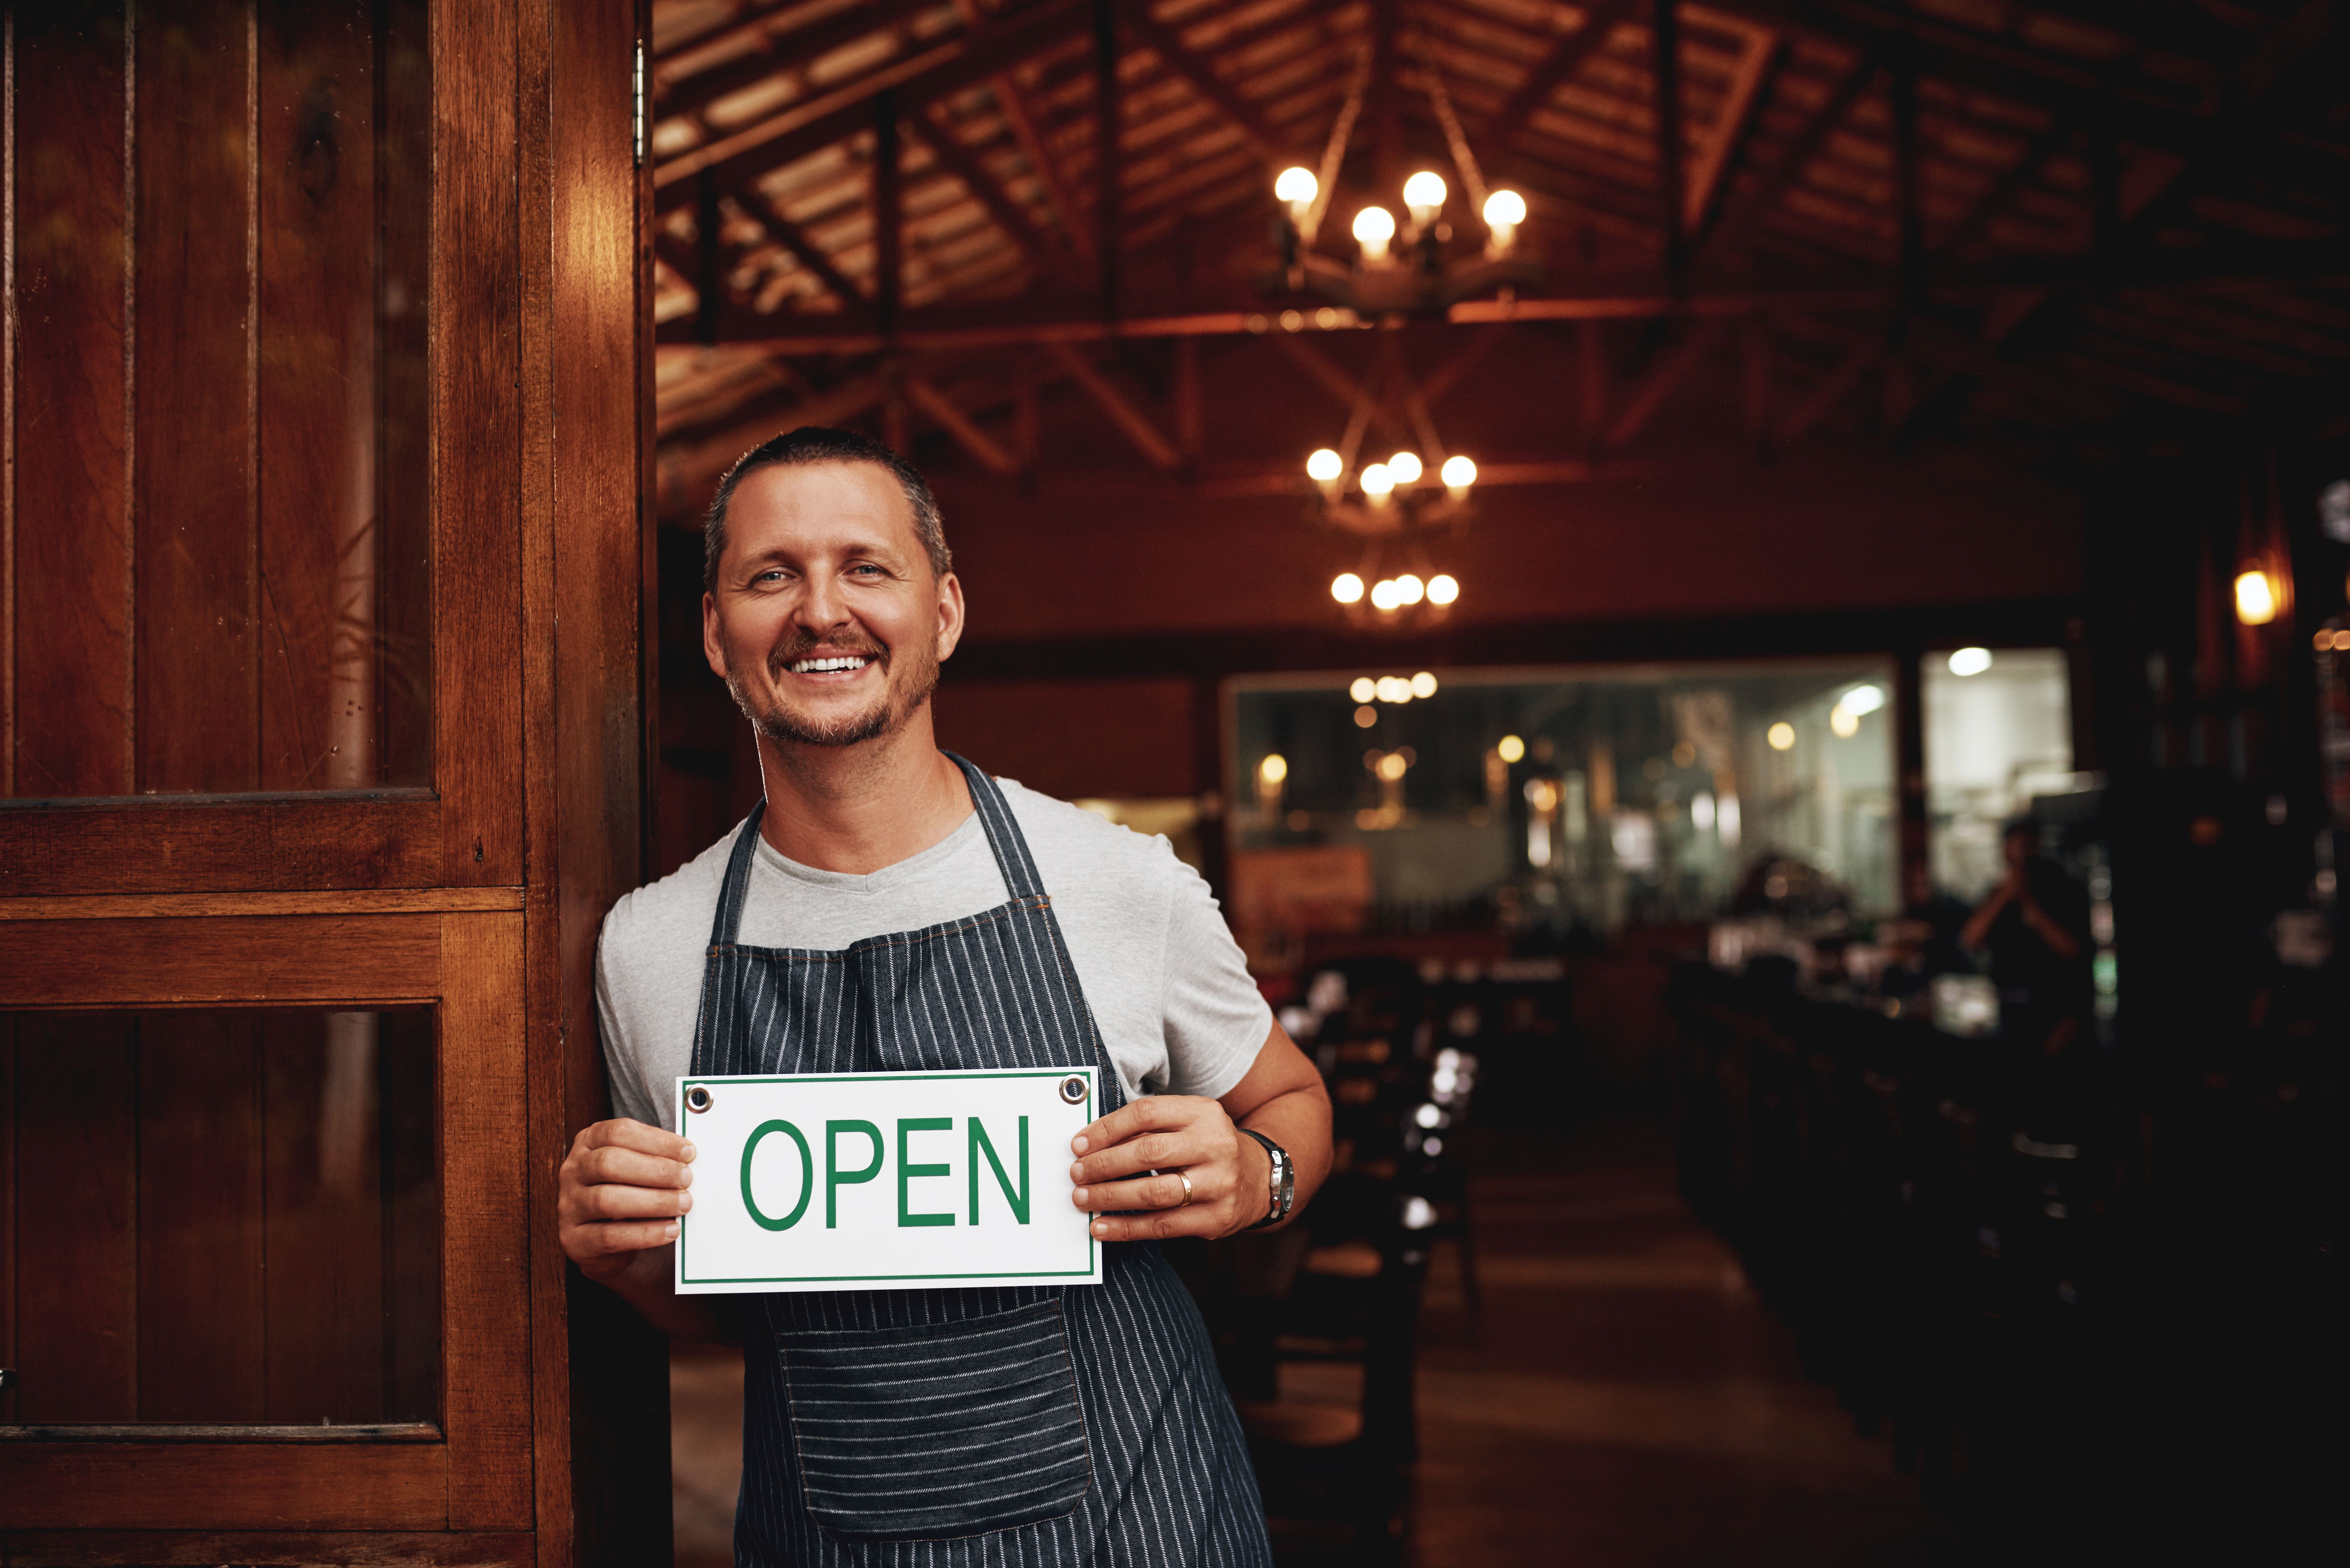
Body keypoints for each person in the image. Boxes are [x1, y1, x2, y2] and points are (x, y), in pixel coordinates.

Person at [560, 426, 1331, 1566]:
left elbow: (1296, 1100)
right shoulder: (650, 948)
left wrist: (1254, 1176)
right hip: (828, 1537)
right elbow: (719, 1306)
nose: (822, 610)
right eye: (773, 575)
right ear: (718, 638)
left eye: (866, 567)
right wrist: (626, 1262)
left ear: (946, 615)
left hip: (1142, 1522)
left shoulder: (1117, 883)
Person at [1960, 819, 2092, 1053]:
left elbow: (2073, 949)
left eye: (2027, 847)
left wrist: (2031, 907)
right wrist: (2004, 897)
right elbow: (1970, 939)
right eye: (2015, 849)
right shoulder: (1996, 894)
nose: (2022, 857)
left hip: (2056, 1008)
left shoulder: (2063, 889)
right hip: (2007, 1010)